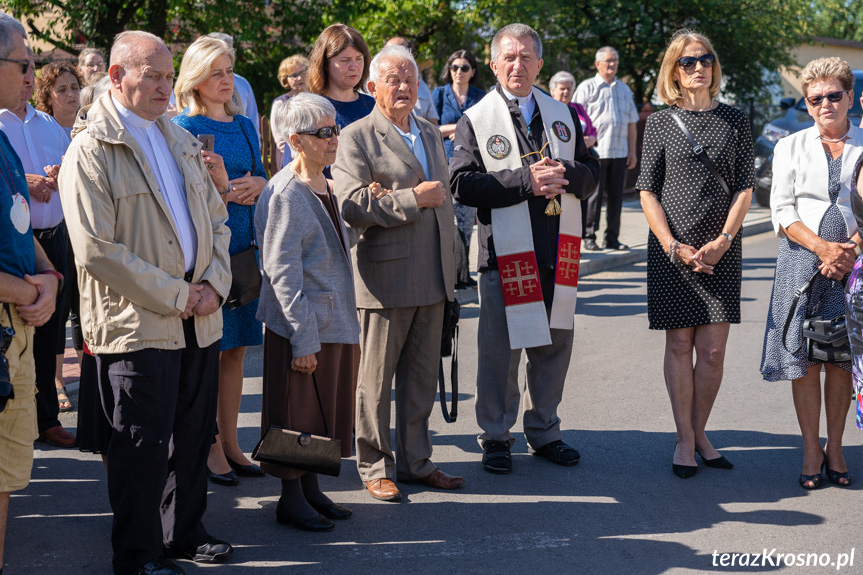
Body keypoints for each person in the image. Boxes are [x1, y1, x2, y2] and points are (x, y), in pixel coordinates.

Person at [59, 30, 234, 574]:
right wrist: (181, 294)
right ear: (116, 76)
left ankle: (183, 532)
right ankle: (138, 555)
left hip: (197, 316)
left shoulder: (176, 136)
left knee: (191, 434)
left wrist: (213, 286)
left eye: (168, 74)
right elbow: (96, 251)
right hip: (137, 323)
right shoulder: (90, 149)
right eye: (153, 76)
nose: (166, 86)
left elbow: (217, 220)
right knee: (139, 446)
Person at [450, 23, 599, 474]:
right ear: (494, 65)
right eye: (509, 58)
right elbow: (461, 183)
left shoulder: (563, 113)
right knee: (501, 353)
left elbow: (591, 172)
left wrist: (567, 174)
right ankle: (496, 435)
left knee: (553, 347)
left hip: (560, 249)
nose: (518, 65)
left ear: (539, 63)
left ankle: (545, 430)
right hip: (506, 255)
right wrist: (524, 181)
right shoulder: (476, 119)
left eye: (527, 57)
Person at [333, 44, 464, 501]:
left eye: (410, 77)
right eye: (393, 78)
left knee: (422, 379)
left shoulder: (428, 131)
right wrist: (410, 199)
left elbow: (444, 204)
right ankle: (374, 466)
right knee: (375, 381)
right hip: (385, 280)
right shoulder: (356, 136)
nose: (404, 85)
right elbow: (351, 204)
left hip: (434, 275)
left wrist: (455, 263)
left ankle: (416, 461)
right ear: (372, 87)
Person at [638, 30, 754, 479]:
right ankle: (685, 440)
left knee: (711, 352)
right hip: (673, 251)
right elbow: (646, 190)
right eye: (688, 62)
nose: (698, 67)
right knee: (680, 344)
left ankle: (700, 431)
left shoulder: (735, 120)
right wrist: (672, 246)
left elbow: (746, 186)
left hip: (722, 248)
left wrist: (724, 239)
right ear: (674, 71)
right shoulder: (661, 122)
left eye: (705, 59)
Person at [255, 92, 360, 532]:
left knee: (320, 413)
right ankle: (291, 499)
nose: (334, 137)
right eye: (324, 132)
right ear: (296, 140)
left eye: (335, 128)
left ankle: (312, 490)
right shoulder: (285, 193)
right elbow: (282, 274)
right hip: (304, 326)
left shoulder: (323, 181)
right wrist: (303, 339)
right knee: (296, 415)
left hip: (330, 320)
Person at [761, 57, 861, 489]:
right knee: (804, 361)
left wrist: (850, 251)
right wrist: (822, 247)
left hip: (854, 267)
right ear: (806, 102)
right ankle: (809, 447)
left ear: (850, 97)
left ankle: (835, 446)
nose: (825, 104)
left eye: (833, 95)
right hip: (802, 262)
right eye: (815, 98)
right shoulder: (791, 145)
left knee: (840, 358)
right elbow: (781, 208)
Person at [173, 36, 267, 487]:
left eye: (229, 70)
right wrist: (230, 190)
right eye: (216, 72)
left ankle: (231, 442)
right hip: (208, 255)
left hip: (245, 254)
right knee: (208, 353)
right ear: (195, 78)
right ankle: (209, 447)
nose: (226, 80)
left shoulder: (247, 124)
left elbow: (263, 173)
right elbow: (183, 197)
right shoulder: (180, 127)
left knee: (237, 353)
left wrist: (260, 186)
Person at [0, 12, 61, 572]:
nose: (31, 74)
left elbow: (19, 218)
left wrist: (48, 275)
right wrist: (27, 287)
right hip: (7, 313)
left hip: (17, 316)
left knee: (4, 474)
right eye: (23, 63)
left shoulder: (1, 139)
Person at [0, 47, 75, 447]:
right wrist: (25, 181)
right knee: (18, 332)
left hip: (53, 238)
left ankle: (45, 418)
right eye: (22, 67)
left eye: (32, 69)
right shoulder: (0, 124)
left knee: (51, 333)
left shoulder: (48, 123)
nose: (29, 76)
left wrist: (63, 174)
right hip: (15, 246)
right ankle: (20, 417)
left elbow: (73, 172)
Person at [574, 46, 639, 251]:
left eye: (615, 61)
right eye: (608, 61)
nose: (612, 65)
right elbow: (574, 117)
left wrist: (633, 151)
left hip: (620, 151)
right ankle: (589, 235)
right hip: (596, 153)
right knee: (593, 197)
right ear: (597, 64)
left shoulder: (624, 89)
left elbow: (632, 123)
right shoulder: (587, 87)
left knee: (616, 198)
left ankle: (612, 237)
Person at [432, 49, 485, 289]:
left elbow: (485, 127)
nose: (459, 72)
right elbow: (430, 127)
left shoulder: (481, 96)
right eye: (455, 67)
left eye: (464, 67)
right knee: (447, 221)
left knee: (465, 221)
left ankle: (463, 275)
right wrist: (460, 126)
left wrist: (462, 131)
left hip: (472, 164)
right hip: (444, 163)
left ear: (473, 71)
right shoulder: (440, 94)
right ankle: (449, 274)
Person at [550, 70, 599, 251]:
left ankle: (579, 242)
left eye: (569, 89)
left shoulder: (577, 108)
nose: (565, 93)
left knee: (581, 204)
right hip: (559, 165)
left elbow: (592, 129)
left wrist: (591, 139)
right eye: (562, 89)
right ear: (552, 90)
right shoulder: (548, 109)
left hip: (579, 164)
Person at [307, 24, 375, 137]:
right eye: (345, 60)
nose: (354, 66)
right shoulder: (311, 110)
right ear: (325, 64)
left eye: (359, 59)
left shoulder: (375, 106)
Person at [206, 32, 261, 144]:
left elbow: (252, 118)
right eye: (223, 50)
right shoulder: (202, 83)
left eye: (230, 51)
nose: (228, 55)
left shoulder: (243, 84)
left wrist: (256, 145)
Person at [385, 37, 439, 126]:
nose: (395, 56)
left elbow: (432, 121)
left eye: (400, 51)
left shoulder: (422, 86)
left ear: (411, 54)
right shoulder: (375, 85)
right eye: (389, 52)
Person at [271, 54, 309, 167]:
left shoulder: (316, 99)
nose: (300, 78)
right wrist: (302, 155)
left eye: (303, 73)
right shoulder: (280, 103)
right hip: (290, 160)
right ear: (285, 80)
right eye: (294, 75)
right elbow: (280, 140)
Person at [33, 62, 81, 137]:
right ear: (48, 98)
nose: (71, 94)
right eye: (62, 90)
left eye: (74, 88)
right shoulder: (41, 132)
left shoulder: (90, 127)